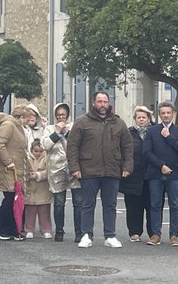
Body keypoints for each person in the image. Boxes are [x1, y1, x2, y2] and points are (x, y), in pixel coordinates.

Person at [67, 91, 133, 249]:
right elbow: (72, 146)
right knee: (87, 205)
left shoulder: (119, 123)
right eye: (99, 102)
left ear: (109, 103)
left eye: (105, 102)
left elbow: (127, 146)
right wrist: (74, 168)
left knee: (110, 205)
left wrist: (127, 166)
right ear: (93, 103)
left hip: (112, 170)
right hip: (89, 170)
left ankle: (110, 236)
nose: (102, 105)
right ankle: (86, 235)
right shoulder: (82, 122)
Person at [146, 101, 178, 247]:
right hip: (155, 173)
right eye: (163, 113)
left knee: (174, 204)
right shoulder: (151, 131)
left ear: (173, 114)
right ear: (159, 115)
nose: (165, 115)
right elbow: (147, 152)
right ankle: (155, 234)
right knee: (155, 204)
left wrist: (169, 136)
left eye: (168, 113)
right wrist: (161, 166)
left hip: (174, 174)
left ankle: (174, 235)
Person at [0, 107, 29, 241]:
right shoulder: (9, 125)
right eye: (27, 118)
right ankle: (0, 228)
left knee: (13, 199)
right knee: (10, 199)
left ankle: (10, 229)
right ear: (21, 117)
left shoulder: (16, 127)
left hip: (15, 169)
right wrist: (8, 161)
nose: (29, 121)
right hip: (9, 169)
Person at [44, 103, 81, 242]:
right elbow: (44, 146)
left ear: (67, 115)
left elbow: (79, 144)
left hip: (73, 167)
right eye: (58, 114)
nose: (61, 117)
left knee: (78, 202)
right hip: (55, 169)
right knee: (59, 202)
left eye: (63, 114)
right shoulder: (48, 129)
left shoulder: (74, 127)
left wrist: (66, 133)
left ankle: (79, 232)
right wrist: (57, 133)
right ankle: (59, 231)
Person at [121, 107, 153, 242]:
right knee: (133, 206)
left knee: (152, 206)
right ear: (135, 119)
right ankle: (134, 232)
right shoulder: (128, 133)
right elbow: (123, 152)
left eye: (144, 117)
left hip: (151, 176)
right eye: (138, 117)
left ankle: (153, 233)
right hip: (133, 175)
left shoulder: (155, 132)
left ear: (149, 119)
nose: (141, 119)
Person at [23, 139, 54, 239]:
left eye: (40, 151)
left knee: (44, 212)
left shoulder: (47, 158)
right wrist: (28, 175)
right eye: (36, 151)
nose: (38, 153)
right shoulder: (26, 158)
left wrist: (38, 175)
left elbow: (49, 171)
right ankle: (29, 229)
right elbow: (24, 169)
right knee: (30, 212)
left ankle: (46, 230)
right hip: (30, 190)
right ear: (31, 150)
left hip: (43, 189)